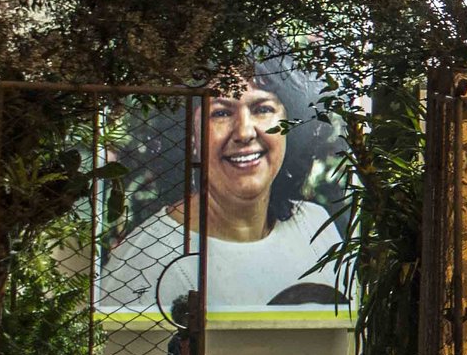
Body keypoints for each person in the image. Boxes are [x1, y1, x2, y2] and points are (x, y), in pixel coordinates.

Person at [101, 63, 343, 312]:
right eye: (221, 113)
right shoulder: (145, 262)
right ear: (191, 136)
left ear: (288, 125)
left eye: (262, 109)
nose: (244, 132)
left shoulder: (314, 226)